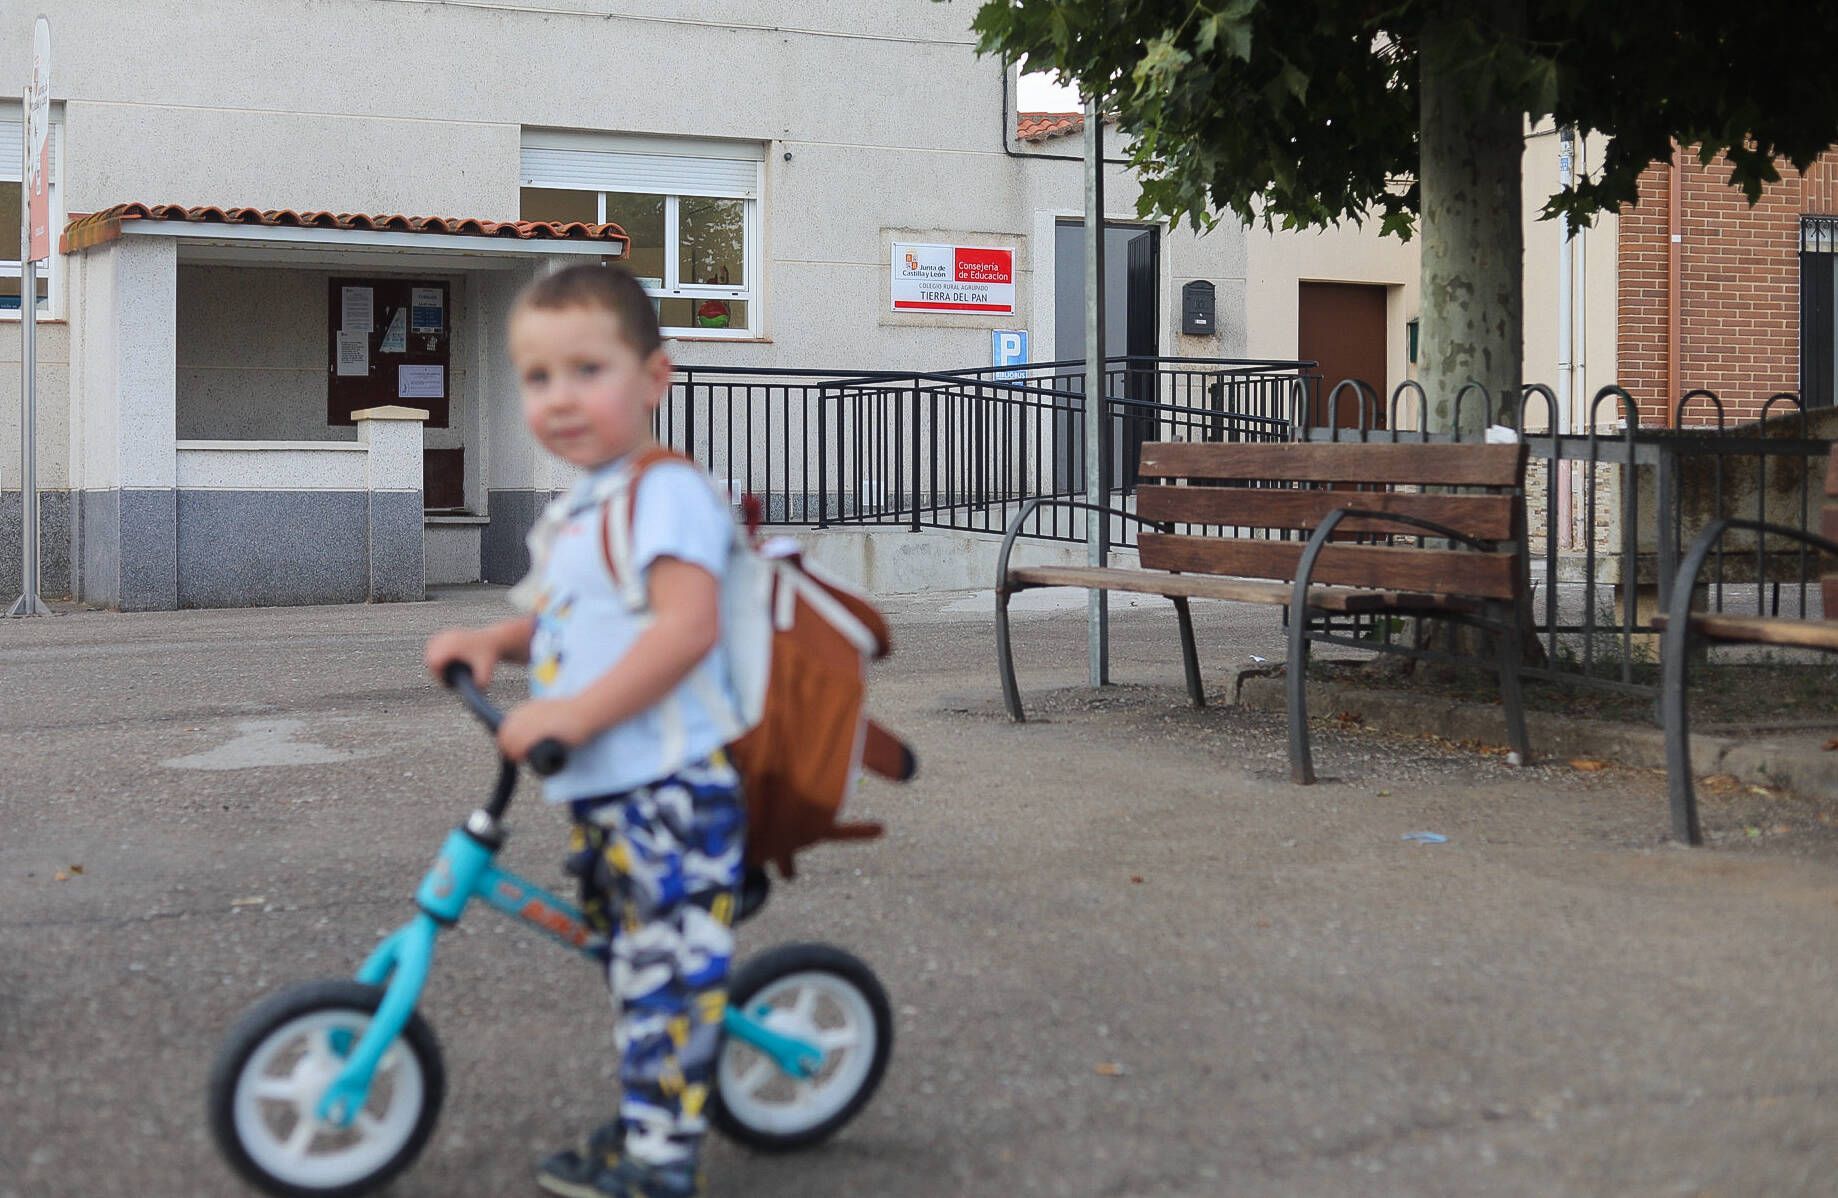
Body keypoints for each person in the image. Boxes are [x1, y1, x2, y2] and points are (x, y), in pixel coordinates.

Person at [424, 263, 743, 1198]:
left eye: (586, 369)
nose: (559, 397)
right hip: (610, 787)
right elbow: (568, 621)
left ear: (655, 379)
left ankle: (660, 1162)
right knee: (632, 962)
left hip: (674, 791)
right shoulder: (582, 508)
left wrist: (568, 712)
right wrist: (494, 639)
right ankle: (656, 1110)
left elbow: (688, 627)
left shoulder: (667, 493)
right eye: (537, 376)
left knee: (660, 979)